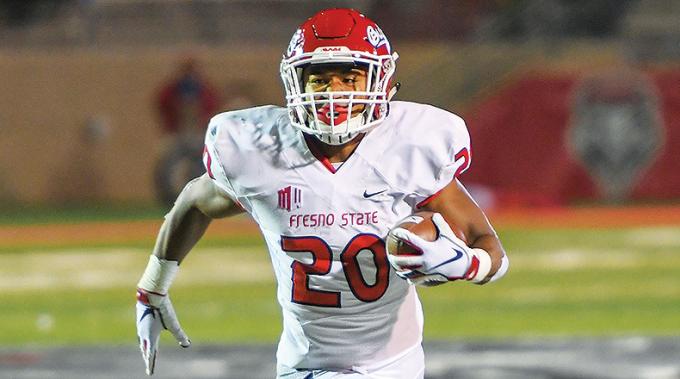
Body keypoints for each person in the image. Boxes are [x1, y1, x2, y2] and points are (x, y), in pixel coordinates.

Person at [135, 8, 509, 378]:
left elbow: (490, 248)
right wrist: (152, 287)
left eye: (350, 77)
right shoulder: (261, 153)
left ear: (380, 81)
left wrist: (465, 264)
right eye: (320, 79)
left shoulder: (408, 147)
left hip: (394, 367)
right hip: (304, 368)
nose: (335, 94)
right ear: (295, 82)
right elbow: (195, 202)